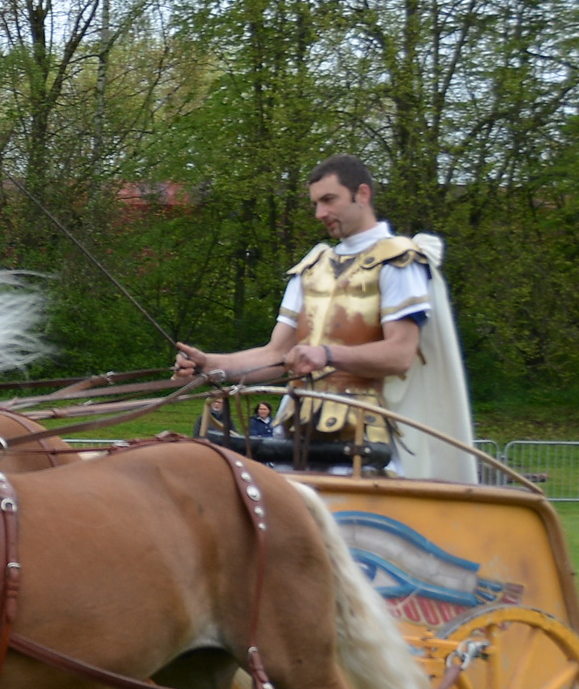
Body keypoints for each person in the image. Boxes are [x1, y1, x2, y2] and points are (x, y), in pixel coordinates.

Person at [173, 155, 434, 472]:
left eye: (328, 200)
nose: (320, 213)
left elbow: (400, 354)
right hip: (295, 429)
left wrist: (326, 354)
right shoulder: (312, 268)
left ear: (362, 195)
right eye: (315, 203)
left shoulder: (398, 260)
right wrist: (211, 365)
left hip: (361, 434)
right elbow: (276, 354)